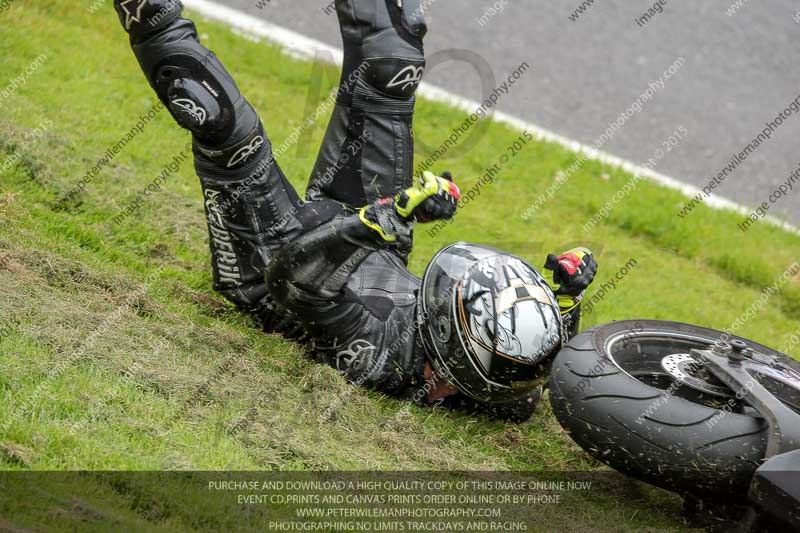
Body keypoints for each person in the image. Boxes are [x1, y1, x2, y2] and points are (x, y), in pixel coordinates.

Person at [113, 0, 598, 422]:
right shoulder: (503, 385)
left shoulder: (379, 356)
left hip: (274, 267)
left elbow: (295, 282)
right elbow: (531, 379)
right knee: (392, 65)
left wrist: (385, 219)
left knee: (218, 118)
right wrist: (567, 300)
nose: (452, 287)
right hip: (371, 245)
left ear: (451, 341)